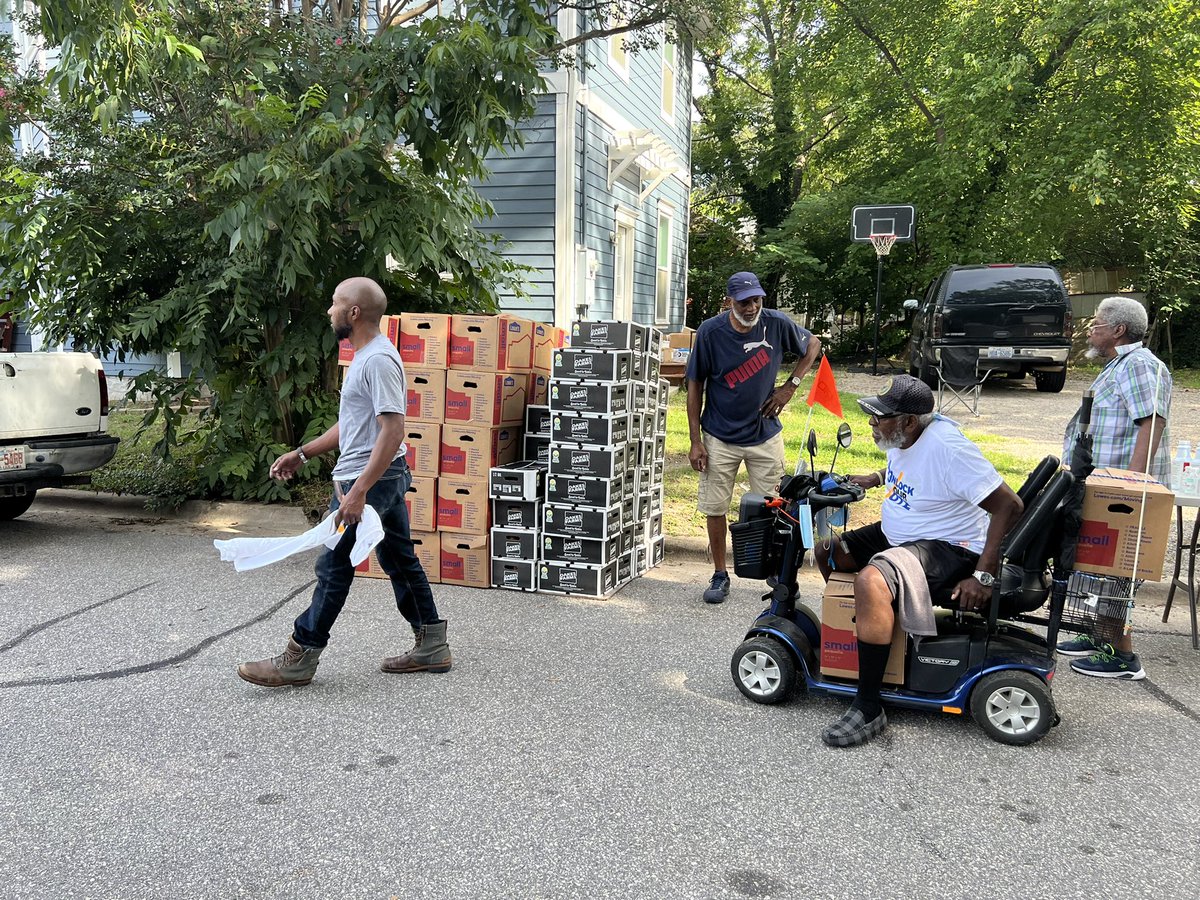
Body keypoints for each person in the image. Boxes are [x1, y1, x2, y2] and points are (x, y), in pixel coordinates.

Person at [238, 277, 451, 687]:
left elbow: (393, 430)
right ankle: (432, 644)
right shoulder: (365, 356)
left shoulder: (377, 360)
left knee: (334, 566)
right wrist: (303, 453)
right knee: (399, 559)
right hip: (374, 477)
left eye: (335, 303)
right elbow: (353, 424)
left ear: (354, 312)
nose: (329, 311)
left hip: (374, 479)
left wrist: (358, 492)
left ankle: (299, 656)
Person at [814, 375, 1023, 747]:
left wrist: (984, 574)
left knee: (871, 581)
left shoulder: (950, 449)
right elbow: (908, 468)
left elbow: (1009, 505)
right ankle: (874, 640)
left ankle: (868, 704)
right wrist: (876, 477)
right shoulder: (904, 435)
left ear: (909, 421)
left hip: (949, 546)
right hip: (902, 534)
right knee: (827, 550)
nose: (872, 424)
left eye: (880, 418)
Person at [686, 271, 821, 604]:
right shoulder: (710, 332)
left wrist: (791, 386)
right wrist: (695, 440)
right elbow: (694, 386)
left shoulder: (775, 323)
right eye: (744, 302)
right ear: (730, 301)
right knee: (715, 506)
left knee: (774, 505)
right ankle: (720, 574)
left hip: (764, 433)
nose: (751, 308)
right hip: (719, 435)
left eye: (756, 301)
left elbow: (813, 344)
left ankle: (776, 572)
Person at [1056, 296, 1172, 680]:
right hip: (1105, 485)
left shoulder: (1139, 365)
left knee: (1118, 572)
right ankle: (1100, 637)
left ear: (1118, 330)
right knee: (1103, 567)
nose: (1092, 329)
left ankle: (1123, 656)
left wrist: (1131, 483)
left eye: (1098, 323)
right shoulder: (1119, 365)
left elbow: (1151, 421)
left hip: (1122, 492)